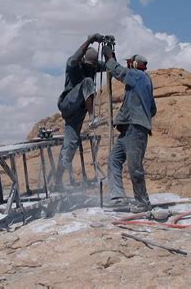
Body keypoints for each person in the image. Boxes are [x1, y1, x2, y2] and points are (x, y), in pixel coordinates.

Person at [101, 45, 157, 213]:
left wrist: (109, 57)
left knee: (135, 167)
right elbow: (153, 109)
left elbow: (118, 71)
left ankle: (142, 202)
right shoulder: (145, 81)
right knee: (114, 160)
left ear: (134, 64)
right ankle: (118, 198)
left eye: (129, 63)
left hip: (135, 128)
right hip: (128, 129)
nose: (127, 65)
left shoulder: (137, 76)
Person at [54, 33, 105, 191]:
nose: (91, 68)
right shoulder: (74, 64)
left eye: (93, 67)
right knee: (88, 82)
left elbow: (111, 66)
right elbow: (74, 58)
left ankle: (57, 181)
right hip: (68, 103)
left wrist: (109, 49)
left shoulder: (93, 66)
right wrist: (90, 40)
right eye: (89, 65)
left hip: (76, 113)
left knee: (70, 145)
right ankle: (93, 118)